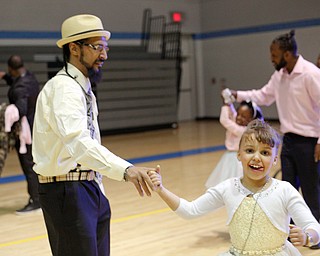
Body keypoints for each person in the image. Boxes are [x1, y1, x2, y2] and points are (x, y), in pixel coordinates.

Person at [32, 14, 156, 256]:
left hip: (87, 187)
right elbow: (79, 144)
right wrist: (126, 170)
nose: (104, 55)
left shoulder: (82, 87)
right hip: (67, 191)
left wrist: (99, 191)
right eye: (97, 47)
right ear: (74, 48)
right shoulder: (64, 88)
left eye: (105, 47)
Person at [149, 119, 320, 255]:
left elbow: (314, 227)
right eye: (250, 150)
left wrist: (308, 237)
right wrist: (161, 190)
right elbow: (190, 210)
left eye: (265, 153)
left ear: (275, 159)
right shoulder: (227, 188)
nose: (257, 158)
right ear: (238, 155)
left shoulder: (285, 190)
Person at [227, 30, 320, 249]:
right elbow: (263, 96)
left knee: (312, 189)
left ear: (287, 55)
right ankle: (287, 233)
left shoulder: (310, 74)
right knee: (285, 188)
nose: (271, 58)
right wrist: (238, 94)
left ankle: (315, 234)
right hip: (287, 140)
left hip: (309, 142)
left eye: (274, 54)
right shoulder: (280, 76)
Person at [0, 55, 40, 215]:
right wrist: (6, 77)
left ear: (11, 68)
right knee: (33, 165)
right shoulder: (30, 77)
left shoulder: (20, 89)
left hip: (25, 133)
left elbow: (21, 108)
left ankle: (36, 201)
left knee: (29, 166)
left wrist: (7, 110)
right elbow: (17, 83)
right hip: (34, 127)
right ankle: (38, 198)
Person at [205, 97, 263, 188]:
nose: (239, 117)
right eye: (238, 114)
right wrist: (229, 103)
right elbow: (232, 114)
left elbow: (224, 120)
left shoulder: (242, 130)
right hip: (229, 158)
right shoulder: (237, 124)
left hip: (237, 160)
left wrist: (226, 105)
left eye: (244, 116)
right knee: (226, 185)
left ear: (251, 120)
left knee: (235, 184)